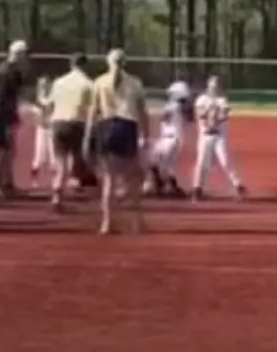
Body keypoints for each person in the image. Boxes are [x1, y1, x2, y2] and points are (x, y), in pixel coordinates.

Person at [86, 48, 149, 234]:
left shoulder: (99, 82)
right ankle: (137, 222)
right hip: (126, 127)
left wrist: (88, 134)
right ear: (125, 62)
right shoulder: (135, 83)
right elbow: (142, 111)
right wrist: (145, 135)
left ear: (108, 62)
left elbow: (93, 110)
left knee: (109, 180)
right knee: (134, 178)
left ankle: (107, 223)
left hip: (105, 127)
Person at [0, 40, 30, 199]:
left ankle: (6, 183)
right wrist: (10, 118)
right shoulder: (8, 73)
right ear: (19, 55)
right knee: (0, 150)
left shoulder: (0, 71)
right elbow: (1, 98)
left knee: (5, 150)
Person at [45, 53, 93, 212]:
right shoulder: (88, 84)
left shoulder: (59, 82)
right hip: (76, 122)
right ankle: (72, 184)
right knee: (76, 157)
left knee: (60, 161)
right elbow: (92, 108)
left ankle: (57, 194)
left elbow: (50, 103)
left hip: (58, 121)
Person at [190, 75, 246, 201]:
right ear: (208, 86)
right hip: (205, 135)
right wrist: (209, 115)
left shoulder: (222, 100)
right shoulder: (201, 99)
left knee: (225, 161)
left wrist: (214, 122)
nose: (214, 88)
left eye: (216, 85)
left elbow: (223, 116)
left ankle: (238, 186)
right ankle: (197, 189)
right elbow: (199, 114)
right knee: (201, 163)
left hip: (219, 135)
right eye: (212, 85)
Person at [147, 75, 192, 197]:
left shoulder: (174, 106)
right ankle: (167, 185)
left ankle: (162, 185)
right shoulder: (180, 107)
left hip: (170, 138)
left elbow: (164, 115)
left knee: (156, 162)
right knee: (162, 164)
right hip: (171, 138)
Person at [28, 75, 55, 188]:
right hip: (42, 130)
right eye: (42, 85)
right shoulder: (37, 101)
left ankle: (55, 180)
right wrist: (41, 120)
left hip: (52, 129)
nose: (44, 87)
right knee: (39, 155)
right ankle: (34, 180)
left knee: (53, 155)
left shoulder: (53, 99)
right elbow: (35, 118)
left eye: (46, 84)